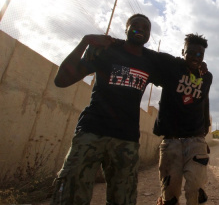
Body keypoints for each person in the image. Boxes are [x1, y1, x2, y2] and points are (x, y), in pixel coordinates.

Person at [51, 14, 157, 204]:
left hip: (126, 140)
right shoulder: (105, 51)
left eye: (145, 27)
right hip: (91, 132)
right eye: (135, 25)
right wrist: (85, 41)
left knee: (123, 199)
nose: (140, 29)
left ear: (149, 34)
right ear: (125, 29)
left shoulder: (151, 61)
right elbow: (62, 80)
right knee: (69, 195)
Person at [153, 33, 213, 205]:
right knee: (170, 195)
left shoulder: (206, 77)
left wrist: (205, 130)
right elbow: (151, 56)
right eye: (191, 52)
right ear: (183, 52)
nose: (195, 57)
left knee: (195, 189)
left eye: (200, 54)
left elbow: (204, 100)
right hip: (171, 141)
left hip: (195, 139)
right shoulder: (172, 68)